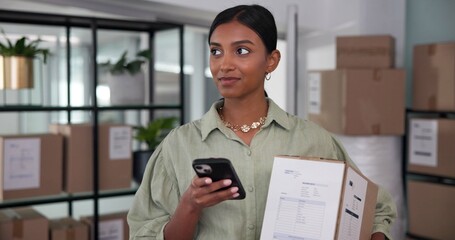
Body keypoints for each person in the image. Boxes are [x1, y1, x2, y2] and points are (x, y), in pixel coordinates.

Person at [127, 4, 397, 240]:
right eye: (216, 51)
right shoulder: (179, 145)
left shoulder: (314, 141)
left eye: (241, 51)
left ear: (271, 60)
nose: (224, 64)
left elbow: (375, 210)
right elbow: (143, 233)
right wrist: (190, 206)